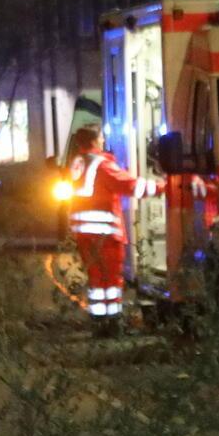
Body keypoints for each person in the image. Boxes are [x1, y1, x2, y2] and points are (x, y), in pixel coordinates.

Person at [64, 125, 146, 327]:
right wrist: (162, 186)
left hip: (84, 233)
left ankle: (99, 321)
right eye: (101, 138)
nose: (103, 141)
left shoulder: (77, 163)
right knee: (111, 279)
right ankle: (113, 323)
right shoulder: (102, 164)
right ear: (94, 140)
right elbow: (128, 185)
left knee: (96, 279)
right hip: (104, 233)